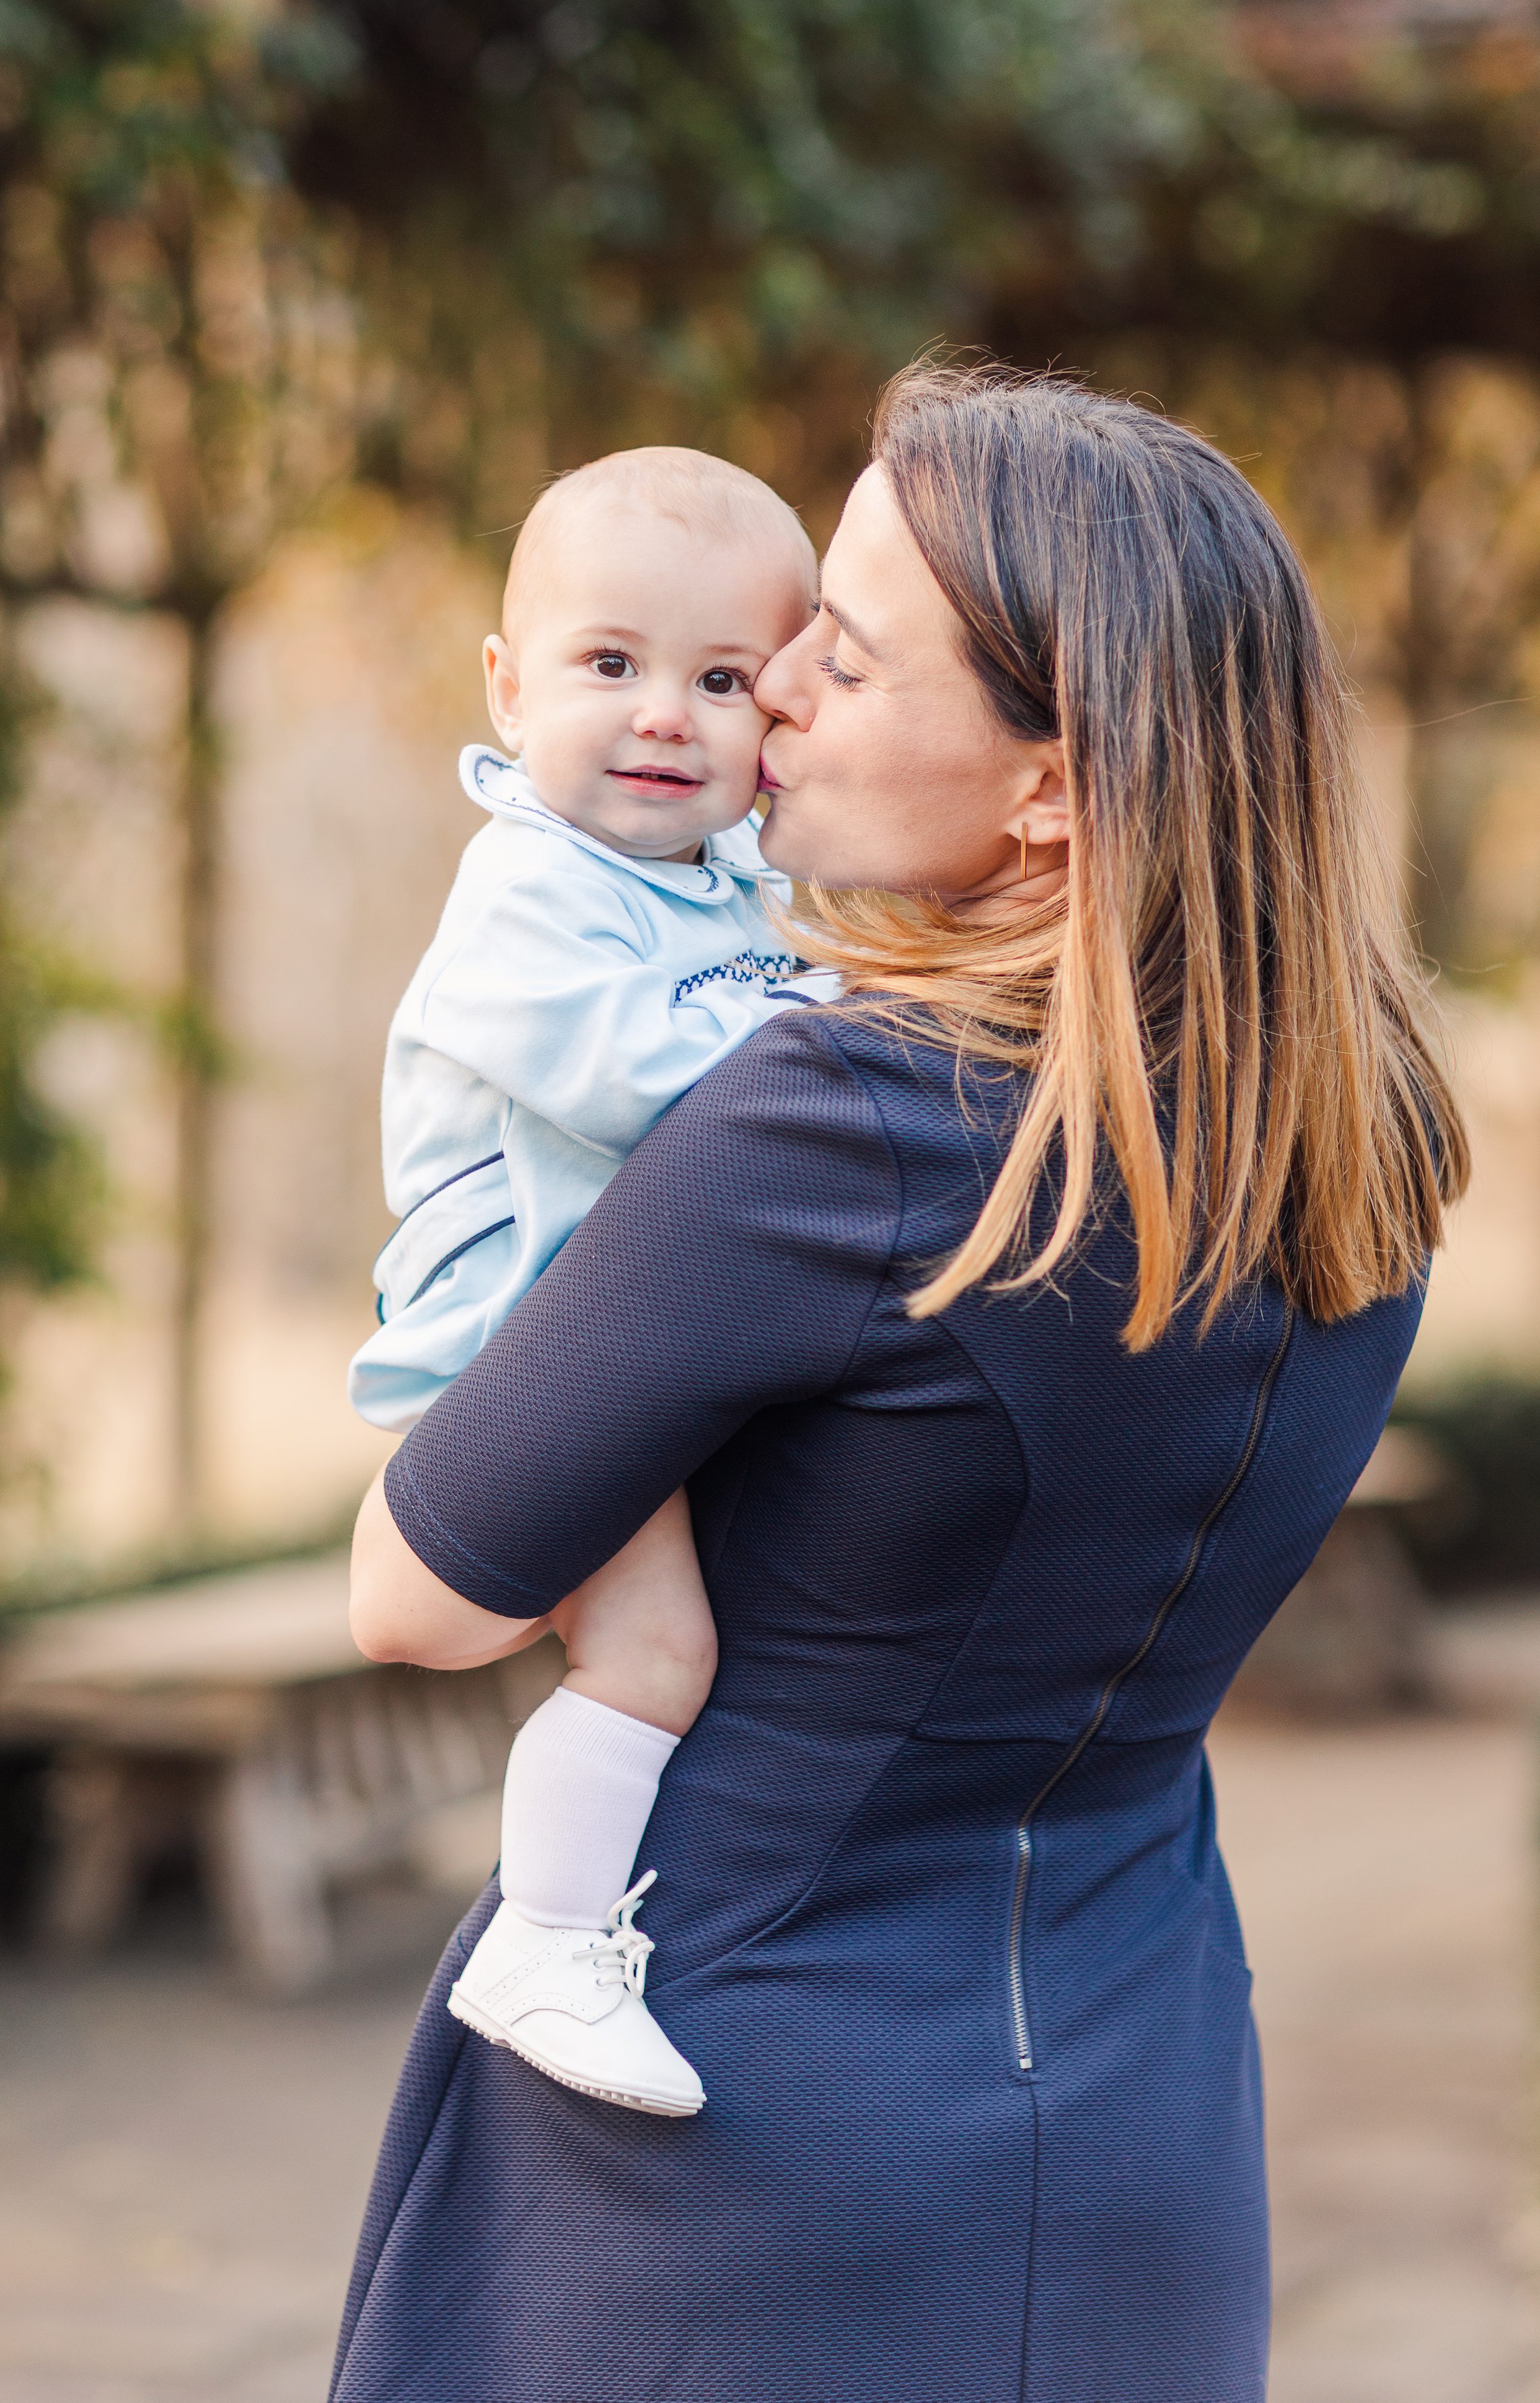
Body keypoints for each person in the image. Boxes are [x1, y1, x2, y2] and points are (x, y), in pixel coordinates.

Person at [337, 363, 1467, 2403]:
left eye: (836, 661)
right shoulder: (1354, 1134)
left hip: (731, 2166)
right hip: (1136, 2106)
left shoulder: (837, 1126)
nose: (764, 702)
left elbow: (423, 1589)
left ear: (1050, 782)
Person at [347, 446, 821, 2115]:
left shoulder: (725, 887)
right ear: (509, 680)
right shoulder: (528, 892)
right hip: (520, 1339)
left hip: (629, 1330)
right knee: (654, 1651)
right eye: (610, 665)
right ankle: (541, 1937)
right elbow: (642, 1079)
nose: (666, 718)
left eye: (722, 680)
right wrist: (829, 1043)